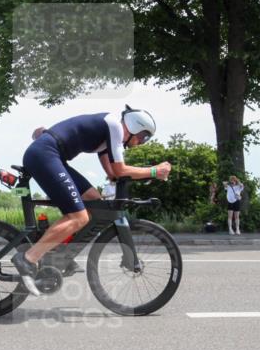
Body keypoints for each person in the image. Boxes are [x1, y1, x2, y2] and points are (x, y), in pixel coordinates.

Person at [11, 106, 170, 296]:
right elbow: (120, 170)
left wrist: (140, 176)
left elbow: (113, 174)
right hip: (45, 154)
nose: (141, 143)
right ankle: (28, 259)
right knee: (79, 217)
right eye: (144, 137)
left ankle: (59, 252)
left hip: (50, 155)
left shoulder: (109, 137)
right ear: (135, 127)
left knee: (94, 200)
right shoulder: (115, 127)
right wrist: (153, 171)